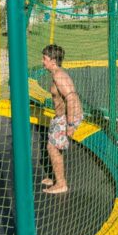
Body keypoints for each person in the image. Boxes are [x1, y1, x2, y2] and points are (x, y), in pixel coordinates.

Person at [40, 44, 83, 195]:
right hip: (63, 116)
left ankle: (61, 184)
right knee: (53, 147)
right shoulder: (55, 74)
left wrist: (70, 124)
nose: (42, 61)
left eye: (44, 59)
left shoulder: (59, 76)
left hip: (68, 117)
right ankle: (57, 178)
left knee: (52, 148)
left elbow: (71, 98)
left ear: (53, 61)